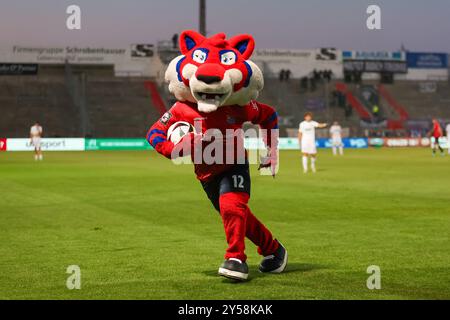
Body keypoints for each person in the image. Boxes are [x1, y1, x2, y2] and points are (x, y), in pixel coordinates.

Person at [147, 30, 287, 281]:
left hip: (235, 164)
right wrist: (175, 148)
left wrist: (270, 152)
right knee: (237, 215)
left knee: (232, 207)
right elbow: (154, 133)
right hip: (206, 174)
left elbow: (269, 115)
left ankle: (236, 259)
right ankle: (273, 249)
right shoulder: (181, 109)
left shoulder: (239, 107)